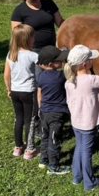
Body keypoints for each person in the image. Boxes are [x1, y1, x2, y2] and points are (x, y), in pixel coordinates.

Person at [11, 0, 65, 138]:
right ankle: (38, 122)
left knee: (55, 81)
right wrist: (19, 54)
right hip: (32, 52)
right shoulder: (19, 11)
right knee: (38, 86)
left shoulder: (49, 4)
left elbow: (61, 23)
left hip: (51, 50)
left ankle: (56, 113)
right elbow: (16, 36)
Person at [64, 44, 99, 190]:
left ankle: (77, 176)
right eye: (91, 59)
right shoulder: (91, 80)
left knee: (79, 147)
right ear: (85, 64)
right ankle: (90, 181)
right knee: (86, 152)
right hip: (88, 124)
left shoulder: (68, 82)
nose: (93, 61)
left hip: (76, 123)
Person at [3, 24, 39, 159]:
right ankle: (29, 149)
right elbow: (46, 66)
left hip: (15, 92)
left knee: (18, 119)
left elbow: (6, 75)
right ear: (27, 39)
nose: (34, 38)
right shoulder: (32, 55)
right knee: (30, 119)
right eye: (33, 36)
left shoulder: (10, 54)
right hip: (29, 92)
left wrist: (9, 89)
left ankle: (18, 147)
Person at [36, 45, 71, 174]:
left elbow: (39, 94)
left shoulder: (40, 77)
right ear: (51, 63)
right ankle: (53, 166)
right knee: (54, 139)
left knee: (45, 137)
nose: (62, 62)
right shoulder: (61, 77)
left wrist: (41, 108)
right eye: (60, 60)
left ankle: (43, 160)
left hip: (44, 111)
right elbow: (70, 74)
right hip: (57, 113)